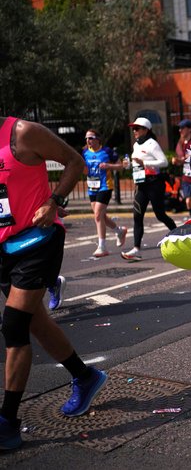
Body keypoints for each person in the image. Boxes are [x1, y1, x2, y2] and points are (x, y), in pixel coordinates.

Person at [0, 117, 108, 451]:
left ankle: (7, 423)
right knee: (37, 323)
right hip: (6, 246)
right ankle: (85, 376)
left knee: (15, 325)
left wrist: (55, 201)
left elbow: (75, 162)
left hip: (39, 240)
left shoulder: (22, 133)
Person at [121, 117, 176, 261]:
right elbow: (137, 164)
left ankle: (179, 235)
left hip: (154, 184)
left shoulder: (152, 144)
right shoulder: (136, 145)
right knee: (137, 216)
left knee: (160, 215)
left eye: (137, 128)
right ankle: (136, 249)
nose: (134, 131)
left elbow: (163, 162)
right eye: (133, 129)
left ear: (146, 130)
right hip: (141, 184)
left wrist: (144, 162)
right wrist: (128, 165)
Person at [82, 128, 127, 257]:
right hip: (92, 187)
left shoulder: (106, 151)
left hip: (105, 186)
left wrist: (109, 166)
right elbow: (84, 170)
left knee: (97, 215)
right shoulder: (85, 152)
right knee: (101, 216)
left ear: (97, 139)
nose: (88, 140)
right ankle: (119, 231)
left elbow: (120, 166)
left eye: (90, 138)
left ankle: (102, 247)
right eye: (86, 138)